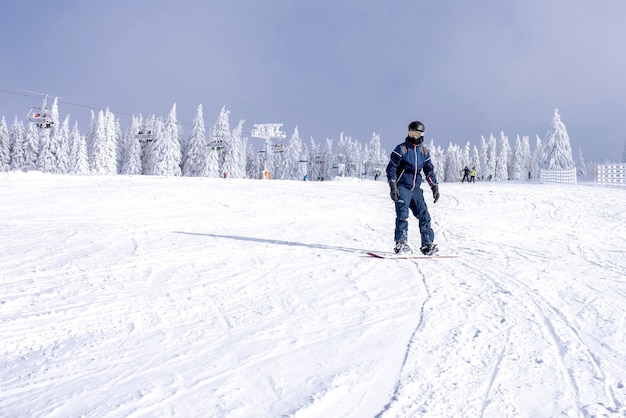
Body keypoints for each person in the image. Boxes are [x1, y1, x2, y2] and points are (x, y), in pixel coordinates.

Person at [386, 121, 440, 255]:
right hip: (402, 187)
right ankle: (401, 243)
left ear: (421, 134)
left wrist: (434, 187)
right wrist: (393, 186)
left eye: (416, 134)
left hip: (415, 189)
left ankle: (427, 244)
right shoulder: (401, 149)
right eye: (411, 133)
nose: (413, 136)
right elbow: (391, 168)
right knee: (402, 215)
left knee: (424, 215)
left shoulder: (424, 151)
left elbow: (429, 171)